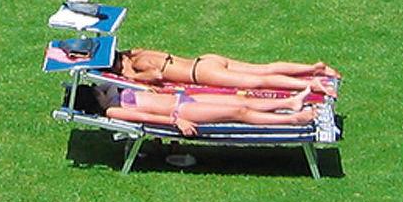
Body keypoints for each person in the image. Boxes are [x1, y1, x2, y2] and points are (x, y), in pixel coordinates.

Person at [94, 77, 320, 137]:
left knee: (243, 101)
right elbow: (145, 117)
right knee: (238, 113)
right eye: (98, 94)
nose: (102, 91)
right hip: (181, 111)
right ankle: (292, 119)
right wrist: (175, 121)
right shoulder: (112, 111)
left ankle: (289, 102)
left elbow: (101, 79)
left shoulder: (114, 93)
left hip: (181, 98)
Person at [116, 48, 336, 90]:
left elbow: (156, 74)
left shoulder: (136, 64)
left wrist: (134, 76)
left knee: (259, 82)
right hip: (205, 60)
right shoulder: (137, 52)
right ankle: (314, 68)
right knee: (264, 69)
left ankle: (310, 83)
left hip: (200, 74)